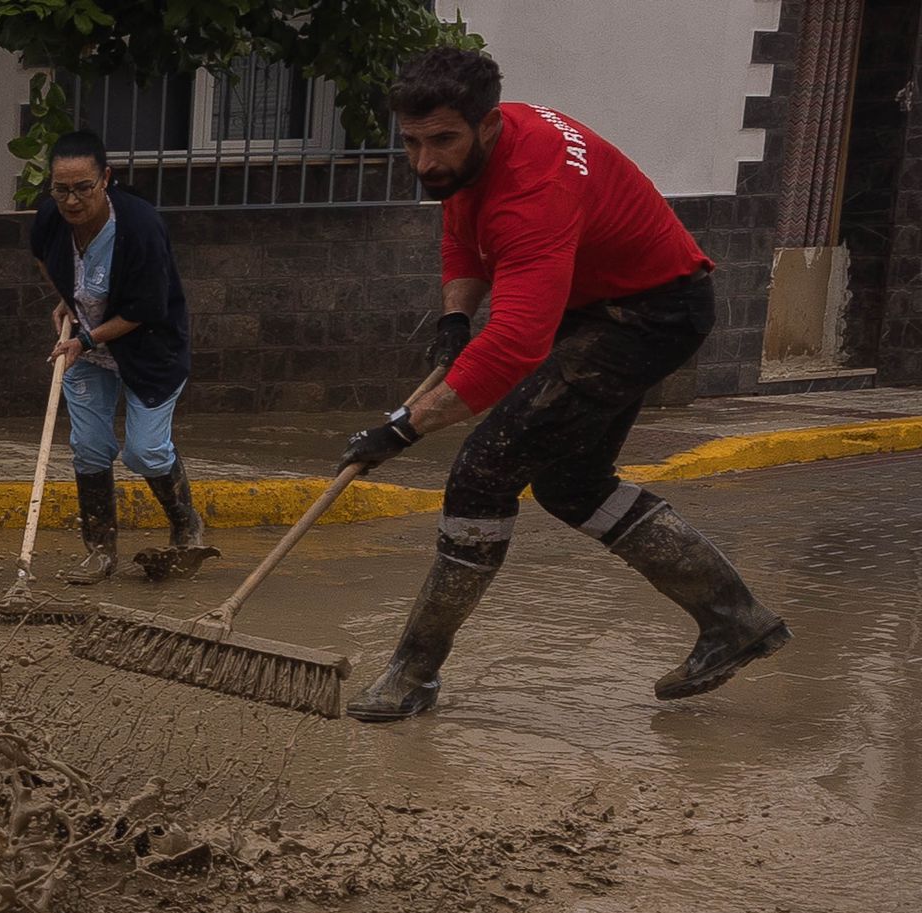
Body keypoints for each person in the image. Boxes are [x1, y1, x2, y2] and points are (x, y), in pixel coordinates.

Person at [338, 47, 789, 722]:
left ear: (487, 127)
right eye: (411, 142)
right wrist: (455, 318)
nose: (426, 161)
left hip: (652, 313)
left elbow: (516, 344)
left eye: (442, 142)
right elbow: (461, 225)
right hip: (599, 307)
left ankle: (413, 673)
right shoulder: (478, 155)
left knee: (482, 473)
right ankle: (735, 621)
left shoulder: (534, 190)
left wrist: (403, 427)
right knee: (571, 485)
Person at [30, 131, 210, 583]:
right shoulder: (51, 218)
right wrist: (69, 302)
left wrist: (86, 339)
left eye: (82, 188)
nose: (71, 201)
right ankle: (100, 551)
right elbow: (42, 257)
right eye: (61, 189)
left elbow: (145, 308)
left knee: (145, 452)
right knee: (89, 448)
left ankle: (186, 525)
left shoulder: (141, 226)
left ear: (105, 179)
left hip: (148, 349)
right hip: (88, 352)